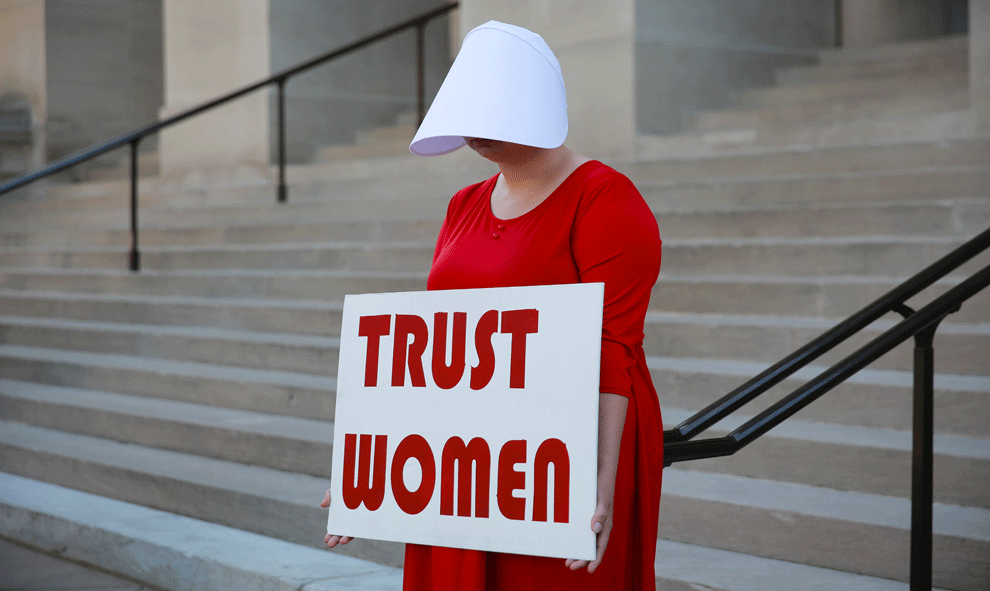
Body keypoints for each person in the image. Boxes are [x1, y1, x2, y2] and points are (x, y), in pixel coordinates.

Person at [322, 20, 663, 591]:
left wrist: (600, 481)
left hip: (563, 445)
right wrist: (371, 473)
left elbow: (613, 351)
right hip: (469, 454)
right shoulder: (464, 203)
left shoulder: (604, 199)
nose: (473, 136)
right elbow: (438, 345)